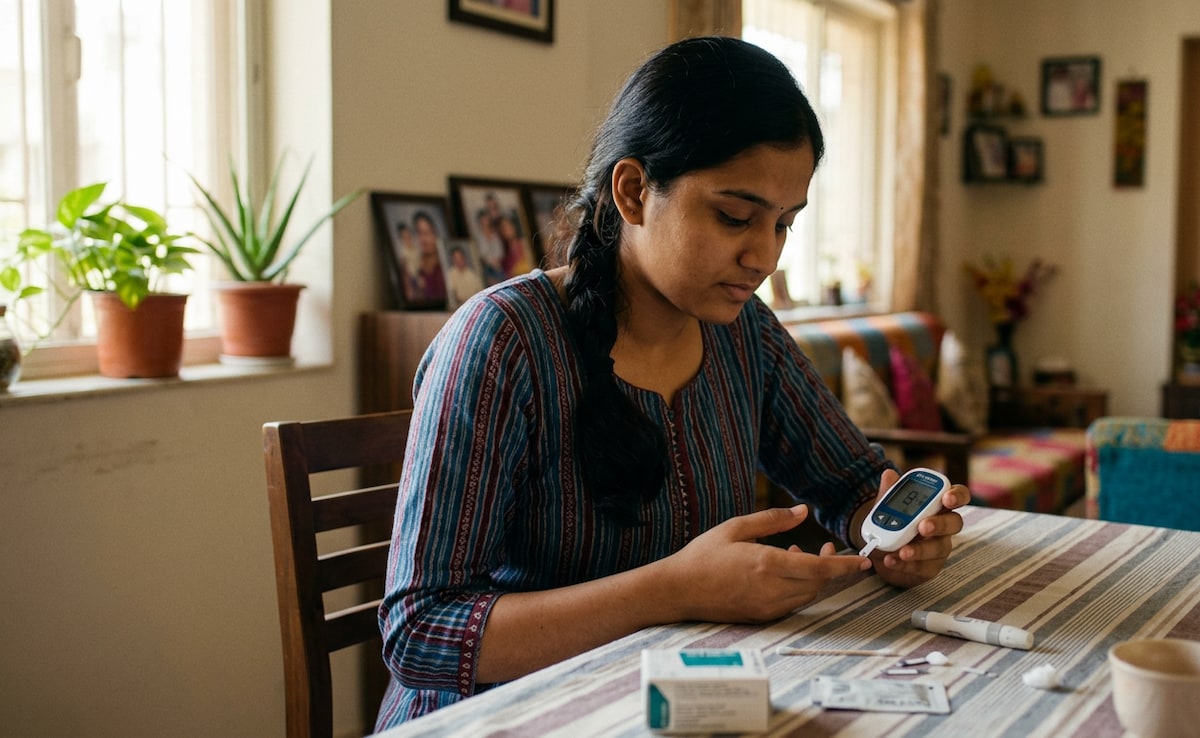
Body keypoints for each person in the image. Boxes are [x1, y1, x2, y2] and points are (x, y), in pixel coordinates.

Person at [375, 36, 970, 729]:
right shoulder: (502, 342)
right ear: (633, 191)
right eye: (734, 217)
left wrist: (900, 534)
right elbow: (421, 633)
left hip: (668, 707)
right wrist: (672, 591)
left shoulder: (744, 332)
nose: (764, 256)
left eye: (784, 225)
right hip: (499, 715)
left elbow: (849, 483)